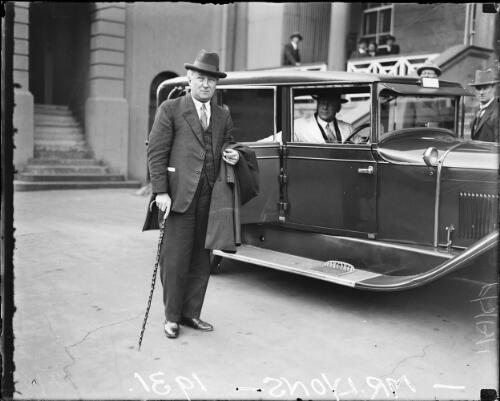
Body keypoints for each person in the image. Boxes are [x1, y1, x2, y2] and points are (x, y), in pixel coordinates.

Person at [147, 49, 240, 339]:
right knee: (175, 259)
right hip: (178, 198)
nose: (206, 85)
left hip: (211, 198)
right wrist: (160, 191)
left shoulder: (223, 114)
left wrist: (232, 154)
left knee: (202, 260)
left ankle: (191, 314)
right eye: (201, 78)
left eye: (211, 81)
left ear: (216, 85)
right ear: (190, 78)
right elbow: (156, 152)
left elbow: (228, 143)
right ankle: (171, 317)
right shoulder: (171, 109)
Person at [468, 69, 499, 142]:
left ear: (493, 88)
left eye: (485, 88)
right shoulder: (477, 110)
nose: (481, 92)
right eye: (478, 88)